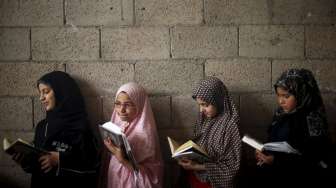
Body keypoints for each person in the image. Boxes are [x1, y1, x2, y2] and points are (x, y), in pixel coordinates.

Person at [13, 71, 100, 188]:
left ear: (62, 92)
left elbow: (92, 165)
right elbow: (38, 166)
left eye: (46, 92)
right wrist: (25, 161)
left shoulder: (80, 127)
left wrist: (59, 159)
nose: (41, 98)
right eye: (40, 93)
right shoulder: (42, 127)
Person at [254, 68, 332, 187]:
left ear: (301, 94)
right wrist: (263, 152)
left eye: (286, 96)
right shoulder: (280, 114)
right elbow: (274, 141)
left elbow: (314, 159)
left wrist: (276, 161)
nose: (281, 101)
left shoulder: (313, 120)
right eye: (278, 95)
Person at [177, 77, 241, 188]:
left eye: (205, 105)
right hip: (196, 174)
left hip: (214, 182)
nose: (201, 110)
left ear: (218, 101)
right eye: (199, 105)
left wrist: (197, 166)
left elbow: (231, 167)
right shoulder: (205, 119)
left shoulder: (230, 126)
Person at [103, 82, 163, 188]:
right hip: (116, 179)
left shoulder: (145, 134)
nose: (121, 110)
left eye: (128, 104)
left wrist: (123, 160)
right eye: (118, 104)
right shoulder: (117, 123)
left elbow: (152, 175)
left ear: (139, 105)